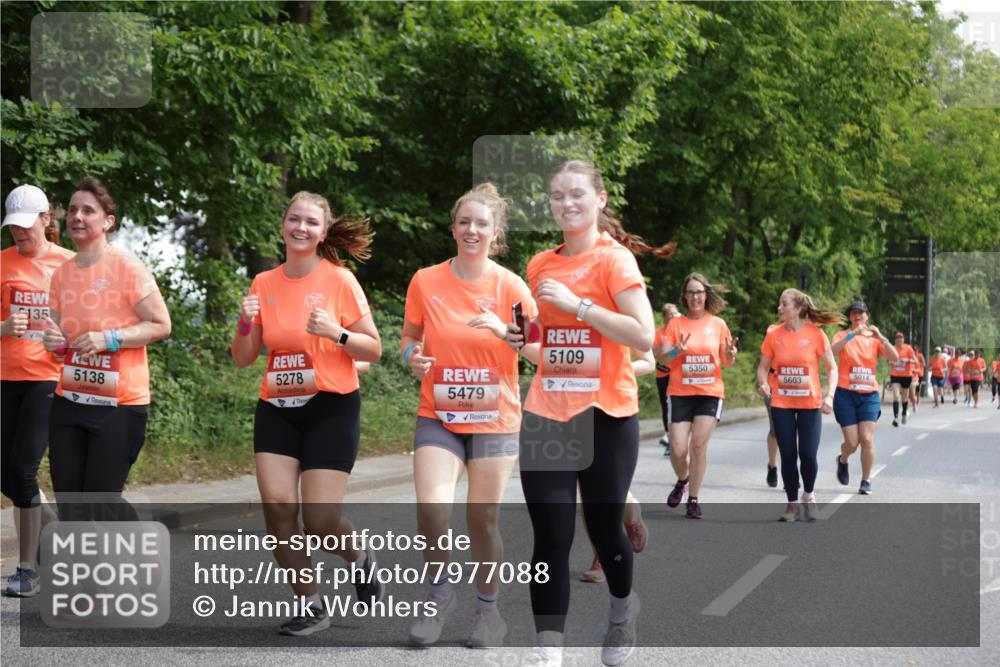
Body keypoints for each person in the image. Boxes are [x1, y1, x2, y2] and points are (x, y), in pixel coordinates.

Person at [510, 160, 672, 667]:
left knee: (605, 532)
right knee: (551, 538)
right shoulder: (539, 265)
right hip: (548, 410)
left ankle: (623, 611)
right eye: (557, 196)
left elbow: (643, 335)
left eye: (577, 194)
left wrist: (580, 305)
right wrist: (524, 340)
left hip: (607, 413)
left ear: (599, 200)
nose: (566, 204)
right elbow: (546, 344)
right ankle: (547, 653)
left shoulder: (615, 261)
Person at [230, 191, 382, 636]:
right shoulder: (263, 282)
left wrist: (336, 333)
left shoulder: (340, 280)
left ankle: (359, 555)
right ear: (283, 225)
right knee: (278, 506)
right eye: (294, 219)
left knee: (319, 523)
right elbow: (244, 357)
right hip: (277, 405)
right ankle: (310, 603)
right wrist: (243, 322)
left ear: (322, 231)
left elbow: (373, 346)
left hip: (331, 407)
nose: (301, 228)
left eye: (311, 222)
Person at [400, 183, 535, 648]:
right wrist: (411, 359)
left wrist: (507, 332)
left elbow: (536, 345)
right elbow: (408, 340)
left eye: (482, 224)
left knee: (483, 520)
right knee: (432, 510)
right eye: (465, 222)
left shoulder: (511, 285)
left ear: (494, 233)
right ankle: (438, 598)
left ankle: (488, 613)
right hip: (437, 413)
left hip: (495, 418)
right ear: (453, 227)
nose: (472, 230)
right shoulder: (425, 280)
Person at [41, 177, 171, 521]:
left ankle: (138, 545)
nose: (77, 217)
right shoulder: (61, 274)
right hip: (70, 399)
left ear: (108, 221)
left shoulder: (127, 267)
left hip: (120, 405)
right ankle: (91, 573)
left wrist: (109, 338)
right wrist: (53, 343)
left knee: (99, 502)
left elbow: (161, 325)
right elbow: (56, 338)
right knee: (71, 508)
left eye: (88, 210)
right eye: (72, 210)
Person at [1, 185, 74, 597]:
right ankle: (58, 532)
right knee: (6, 471)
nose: (19, 233)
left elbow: (89, 325)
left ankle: (27, 568)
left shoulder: (69, 264)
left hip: (49, 378)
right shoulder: (1, 264)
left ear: (47, 219)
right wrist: (2, 328)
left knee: (23, 468)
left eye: (27, 225)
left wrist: (65, 338)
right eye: (13, 227)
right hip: (4, 378)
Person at [658, 272, 738, 519]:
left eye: (699, 292)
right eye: (691, 292)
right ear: (685, 296)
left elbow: (726, 361)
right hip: (680, 393)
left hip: (709, 393)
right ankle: (682, 479)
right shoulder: (675, 324)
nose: (695, 297)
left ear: (706, 295)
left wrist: (732, 355)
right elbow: (662, 359)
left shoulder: (718, 324)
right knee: (678, 449)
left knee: (698, 445)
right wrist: (675, 351)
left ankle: (693, 498)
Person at [756, 289, 839, 521]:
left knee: (809, 455)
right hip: (781, 401)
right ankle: (792, 504)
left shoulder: (816, 334)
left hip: (810, 403)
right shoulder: (774, 334)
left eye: (784, 304)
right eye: (779, 304)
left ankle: (809, 496)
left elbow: (832, 368)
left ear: (798, 308)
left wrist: (830, 396)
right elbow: (763, 366)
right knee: (789, 454)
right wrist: (762, 382)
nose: (779, 308)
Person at [830, 301, 897, 496]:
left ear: (867, 316)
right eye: (854, 313)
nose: (857, 315)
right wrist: (853, 334)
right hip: (846, 394)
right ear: (850, 317)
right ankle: (843, 459)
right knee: (852, 443)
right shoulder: (843, 335)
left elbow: (894, 358)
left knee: (866, 438)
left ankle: (866, 480)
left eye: (861, 313)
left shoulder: (875, 338)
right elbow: (832, 351)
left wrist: (881, 337)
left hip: (869, 395)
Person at [652, 303, 681, 456]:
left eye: (675, 313)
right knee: (666, 407)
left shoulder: (681, 329)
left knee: (677, 406)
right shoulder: (658, 333)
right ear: (664, 317)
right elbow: (656, 353)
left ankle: (675, 439)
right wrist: (667, 347)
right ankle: (669, 436)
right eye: (670, 314)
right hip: (663, 375)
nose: (673, 317)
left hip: (678, 375)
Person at [888, 333, 916, 426]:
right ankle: (895, 418)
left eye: (901, 338)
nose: (899, 340)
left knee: (904, 398)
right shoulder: (892, 348)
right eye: (897, 339)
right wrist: (891, 362)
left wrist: (907, 361)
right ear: (895, 340)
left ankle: (904, 413)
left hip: (906, 376)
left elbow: (915, 361)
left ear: (903, 340)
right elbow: (888, 359)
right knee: (896, 396)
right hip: (895, 375)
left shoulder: (908, 348)